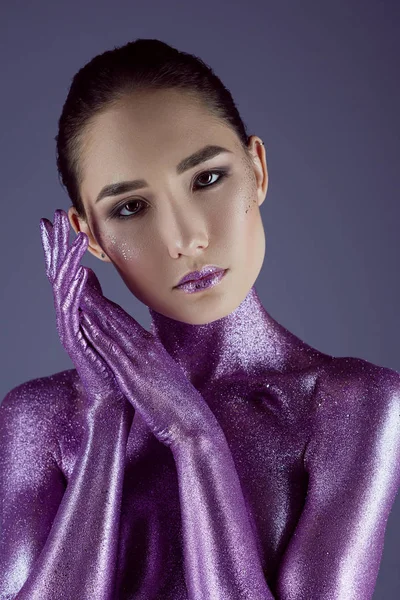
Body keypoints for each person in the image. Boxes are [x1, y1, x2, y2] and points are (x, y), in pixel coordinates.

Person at [0, 38, 399, 600]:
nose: (186, 238)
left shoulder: (349, 404)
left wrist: (194, 438)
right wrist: (105, 419)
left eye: (207, 178)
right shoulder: (39, 420)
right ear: (89, 235)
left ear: (256, 169)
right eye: (130, 208)